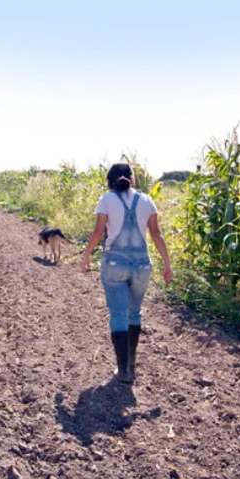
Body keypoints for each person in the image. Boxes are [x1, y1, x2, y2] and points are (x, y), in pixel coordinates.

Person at [79, 163, 172, 384]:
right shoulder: (147, 200)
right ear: (131, 178)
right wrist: (167, 264)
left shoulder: (106, 200)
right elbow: (157, 234)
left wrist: (86, 256)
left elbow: (98, 232)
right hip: (142, 265)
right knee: (134, 313)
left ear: (110, 180)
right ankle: (131, 365)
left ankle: (123, 371)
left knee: (119, 314)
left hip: (115, 264)